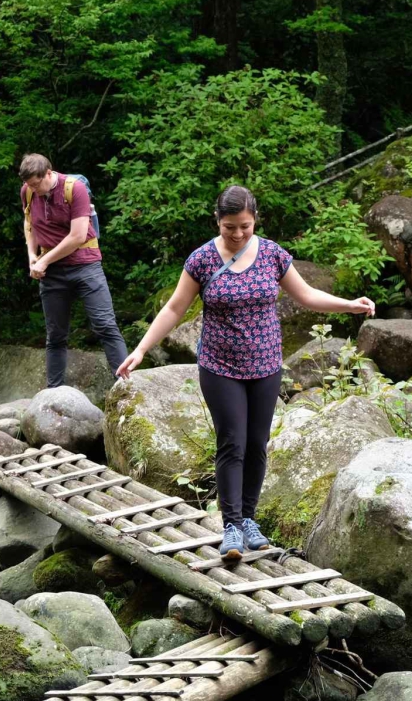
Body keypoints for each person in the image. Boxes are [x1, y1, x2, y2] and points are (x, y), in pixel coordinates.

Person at [115, 184, 375, 561]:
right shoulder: (202, 260)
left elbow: (306, 295)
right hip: (220, 366)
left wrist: (349, 305)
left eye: (245, 227)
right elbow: (174, 308)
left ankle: (250, 521)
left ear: (255, 222)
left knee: (256, 444)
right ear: (217, 222)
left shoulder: (272, 254)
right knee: (232, 442)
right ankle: (231, 527)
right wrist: (140, 349)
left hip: (266, 365)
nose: (237, 235)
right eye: (229, 227)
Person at [20, 153, 130, 387]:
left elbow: (77, 236)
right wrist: (32, 256)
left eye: (36, 183)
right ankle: (54, 394)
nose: (33, 189)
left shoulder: (75, 189)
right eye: (29, 184)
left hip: (85, 265)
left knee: (105, 326)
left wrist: (44, 261)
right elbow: (30, 225)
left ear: (49, 173)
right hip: (52, 272)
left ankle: (126, 387)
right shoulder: (28, 191)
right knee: (56, 337)